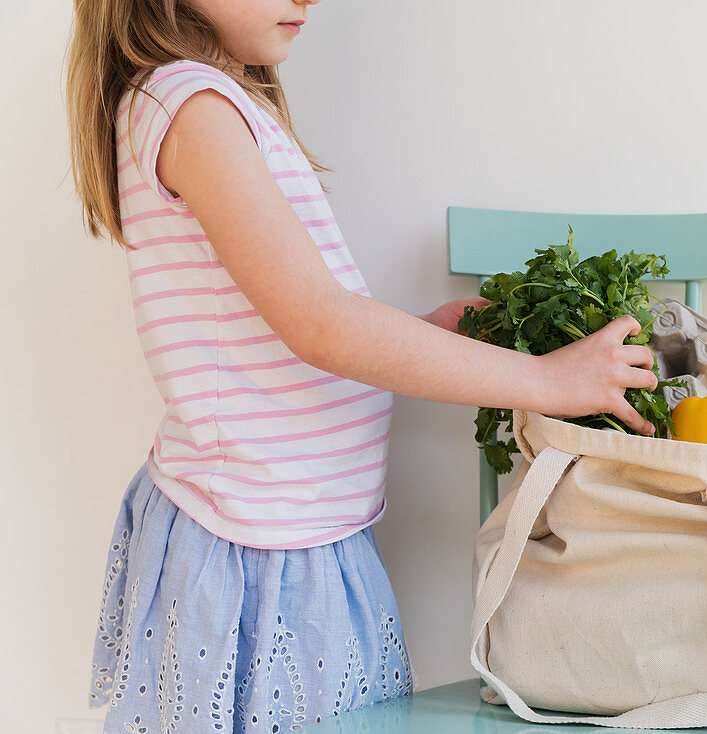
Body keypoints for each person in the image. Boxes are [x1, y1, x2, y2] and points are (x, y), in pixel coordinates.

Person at [64, 0, 658, 731]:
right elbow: (320, 323)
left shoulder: (208, 103)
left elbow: (278, 330)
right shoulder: (195, 110)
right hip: (255, 547)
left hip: (295, 530)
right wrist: (547, 383)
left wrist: (424, 334)